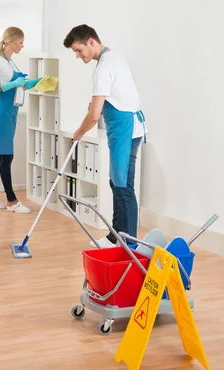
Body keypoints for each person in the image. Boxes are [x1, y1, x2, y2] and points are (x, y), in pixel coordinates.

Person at [63, 24, 147, 248]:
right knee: (116, 182)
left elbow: (93, 116)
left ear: (91, 41)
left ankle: (129, 244)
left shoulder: (102, 68)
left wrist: (79, 133)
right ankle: (116, 236)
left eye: (78, 50)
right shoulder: (115, 58)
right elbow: (120, 94)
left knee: (122, 187)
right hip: (131, 130)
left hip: (124, 130)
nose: (78, 56)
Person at [0, 27, 41, 214]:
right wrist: (12, 84)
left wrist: (30, 83)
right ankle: (12, 201)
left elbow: (16, 86)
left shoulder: (10, 63)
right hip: (1, 114)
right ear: (10, 41)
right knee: (6, 156)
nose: (23, 46)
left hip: (10, 113)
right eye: (21, 42)